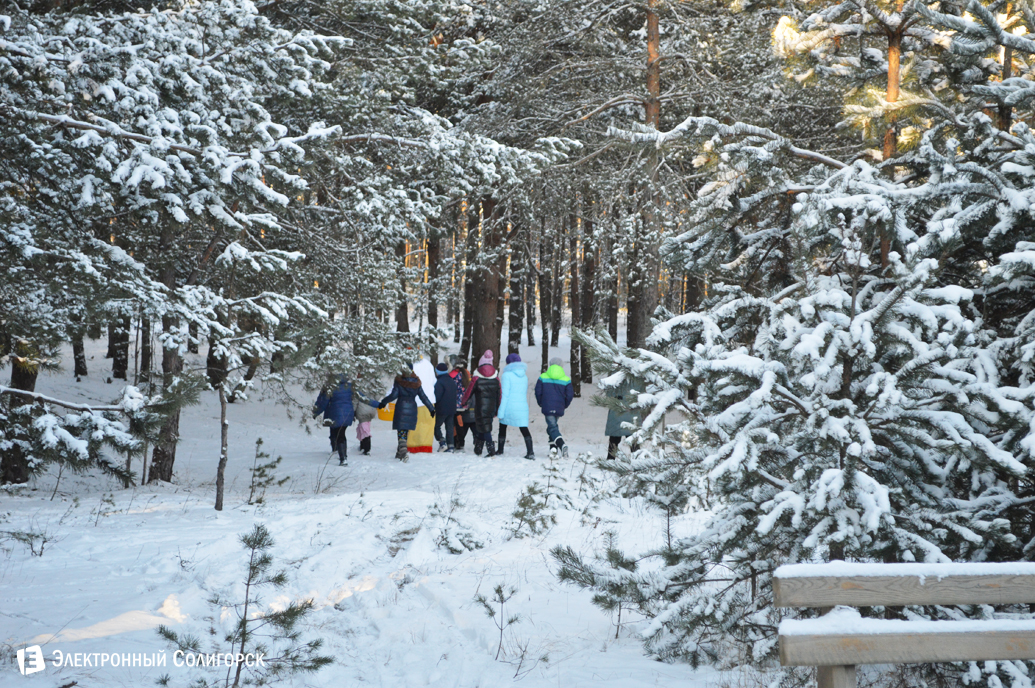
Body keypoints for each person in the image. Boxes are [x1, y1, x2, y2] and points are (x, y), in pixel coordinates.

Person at [378, 363, 435, 461]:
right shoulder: (416, 382)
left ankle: (403, 452)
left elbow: (393, 395)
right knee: (405, 431)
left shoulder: (399, 380)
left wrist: (383, 402)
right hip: (412, 409)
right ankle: (399, 452)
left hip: (401, 408)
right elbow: (423, 397)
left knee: (401, 431)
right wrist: (431, 409)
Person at [461, 349, 501, 456]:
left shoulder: (476, 378)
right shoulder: (496, 378)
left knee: (485, 428)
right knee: (482, 426)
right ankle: (478, 449)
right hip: (491, 407)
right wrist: (498, 408)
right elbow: (499, 394)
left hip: (480, 407)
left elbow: (469, 392)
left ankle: (491, 450)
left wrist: (464, 402)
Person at [313, 375, 357, 466]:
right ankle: (337, 451)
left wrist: (316, 411)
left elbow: (323, 401)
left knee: (338, 433)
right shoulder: (349, 386)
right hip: (347, 413)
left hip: (335, 413)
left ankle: (342, 458)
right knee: (339, 432)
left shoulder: (330, 387)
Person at [534, 357, 574, 457]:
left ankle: (562, 445)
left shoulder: (543, 377)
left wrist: (541, 402)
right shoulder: (566, 379)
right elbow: (570, 395)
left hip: (547, 405)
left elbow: (538, 392)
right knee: (552, 427)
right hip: (559, 406)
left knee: (552, 427)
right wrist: (564, 405)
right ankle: (553, 450)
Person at [497, 353, 534, 460]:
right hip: (522, 406)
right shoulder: (524, 376)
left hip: (509, 407)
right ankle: (530, 451)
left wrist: (500, 411)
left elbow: (504, 395)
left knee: (502, 426)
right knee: (524, 428)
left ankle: (500, 450)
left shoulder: (506, 375)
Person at [603, 377, 637, 460]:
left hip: (617, 410)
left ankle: (610, 460)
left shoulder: (614, 374)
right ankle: (638, 460)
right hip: (630, 411)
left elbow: (609, 393)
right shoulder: (634, 373)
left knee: (614, 438)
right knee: (632, 439)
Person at [433, 362, 457, 451]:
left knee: (435, 426)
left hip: (441, 409)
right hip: (452, 409)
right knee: (449, 427)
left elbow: (437, 396)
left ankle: (442, 442)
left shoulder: (439, 382)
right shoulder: (451, 381)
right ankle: (451, 446)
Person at [451, 360, 474, 451]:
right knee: (460, 424)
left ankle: (455, 441)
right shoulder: (466, 374)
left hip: (454, 403)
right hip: (463, 403)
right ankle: (461, 443)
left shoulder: (454, 375)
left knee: (454, 425)